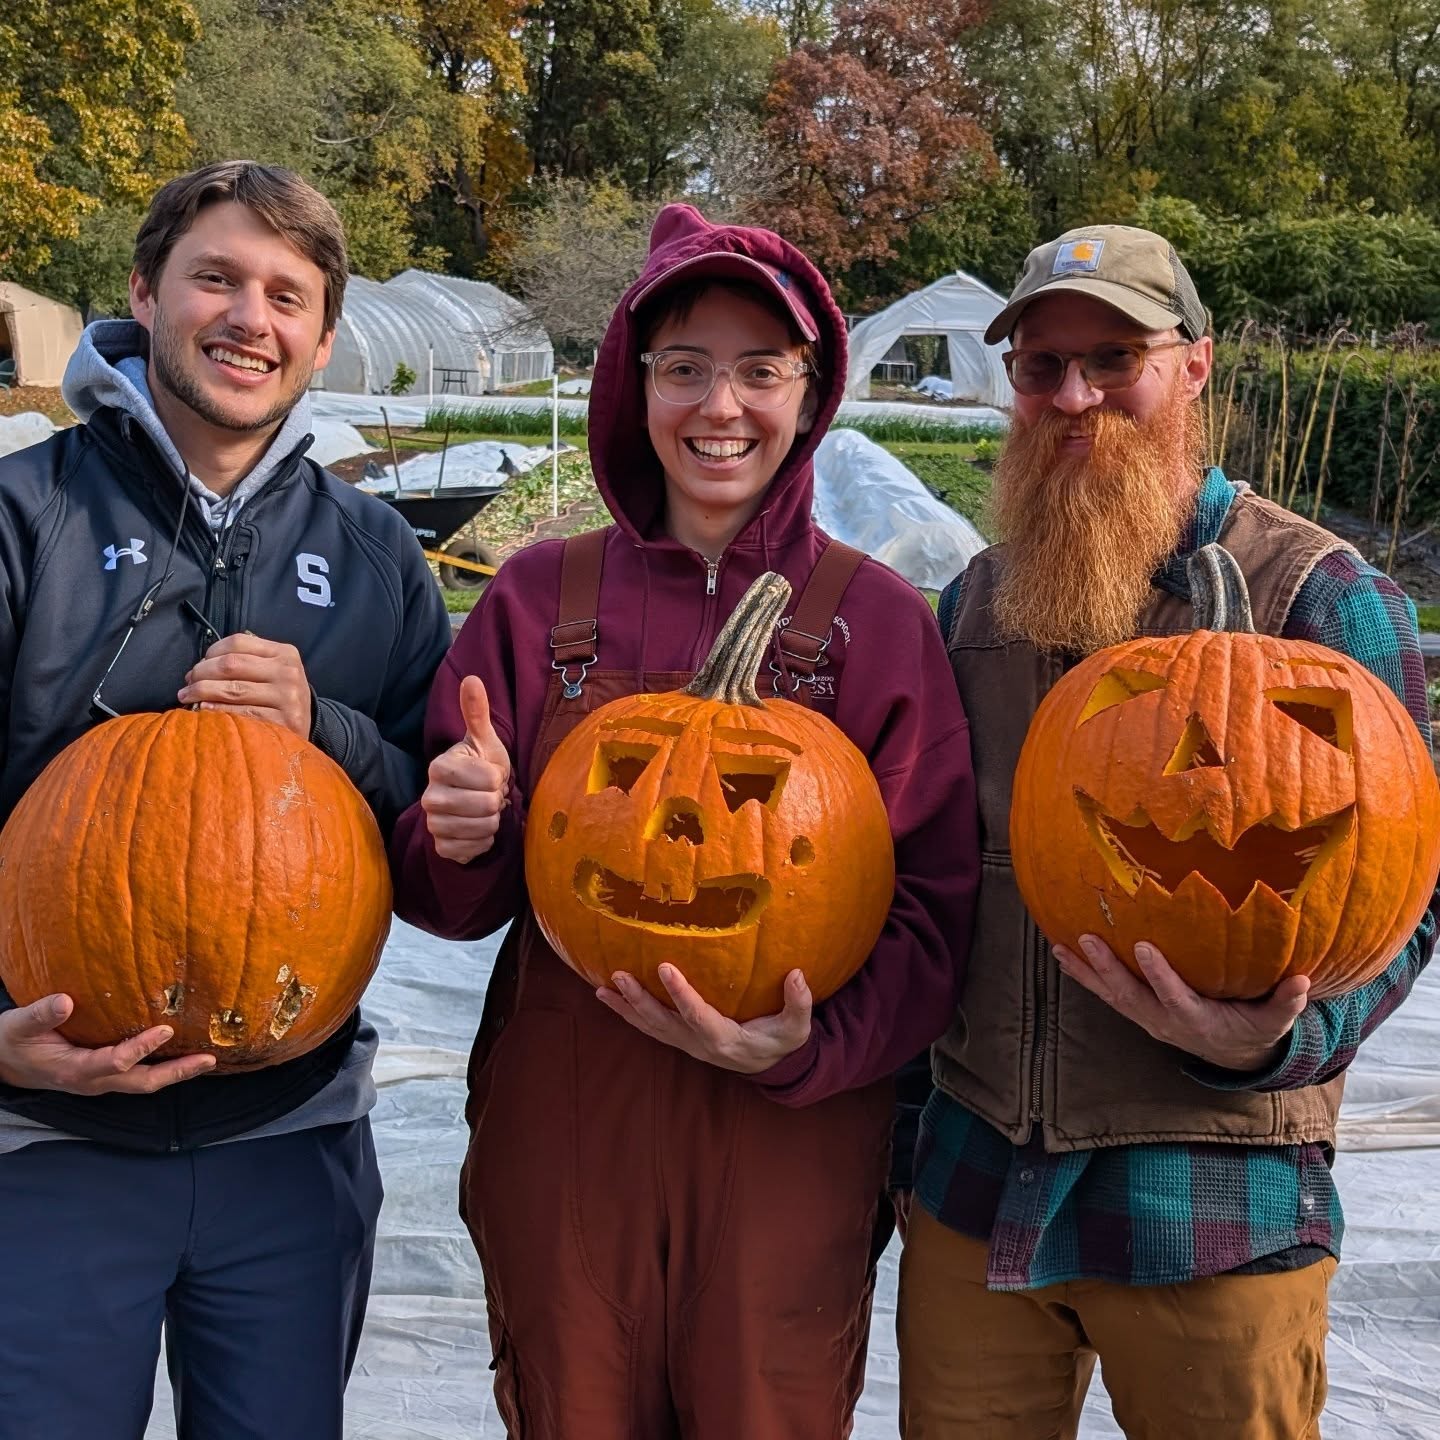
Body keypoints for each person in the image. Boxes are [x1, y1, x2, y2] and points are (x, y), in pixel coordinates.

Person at [390, 202, 979, 1438]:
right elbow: (453, 901)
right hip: (569, 1121)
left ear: (809, 393)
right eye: (686, 369)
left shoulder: (877, 623)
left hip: (786, 1130)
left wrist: (813, 1051)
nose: (722, 408)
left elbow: (935, 907)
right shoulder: (543, 595)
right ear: (633, 385)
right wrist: (457, 830)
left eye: (761, 371)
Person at [897, 225, 1439, 1438]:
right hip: (976, 1193)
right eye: (1041, 367)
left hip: (1211, 1203)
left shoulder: (1323, 598)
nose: (1074, 396)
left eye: (1114, 358)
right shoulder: (975, 604)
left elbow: (1412, 896)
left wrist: (1271, 1042)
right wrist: (898, 1147)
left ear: (1193, 367)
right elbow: (924, 887)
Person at [0, 161, 452, 1439]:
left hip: (288, 1139)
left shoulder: (376, 561)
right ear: (147, 294)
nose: (251, 316)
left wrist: (335, 733)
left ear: (320, 334)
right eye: (217, 277)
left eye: (288, 294)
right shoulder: (23, 518)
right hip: (43, 1139)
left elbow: (429, 841)